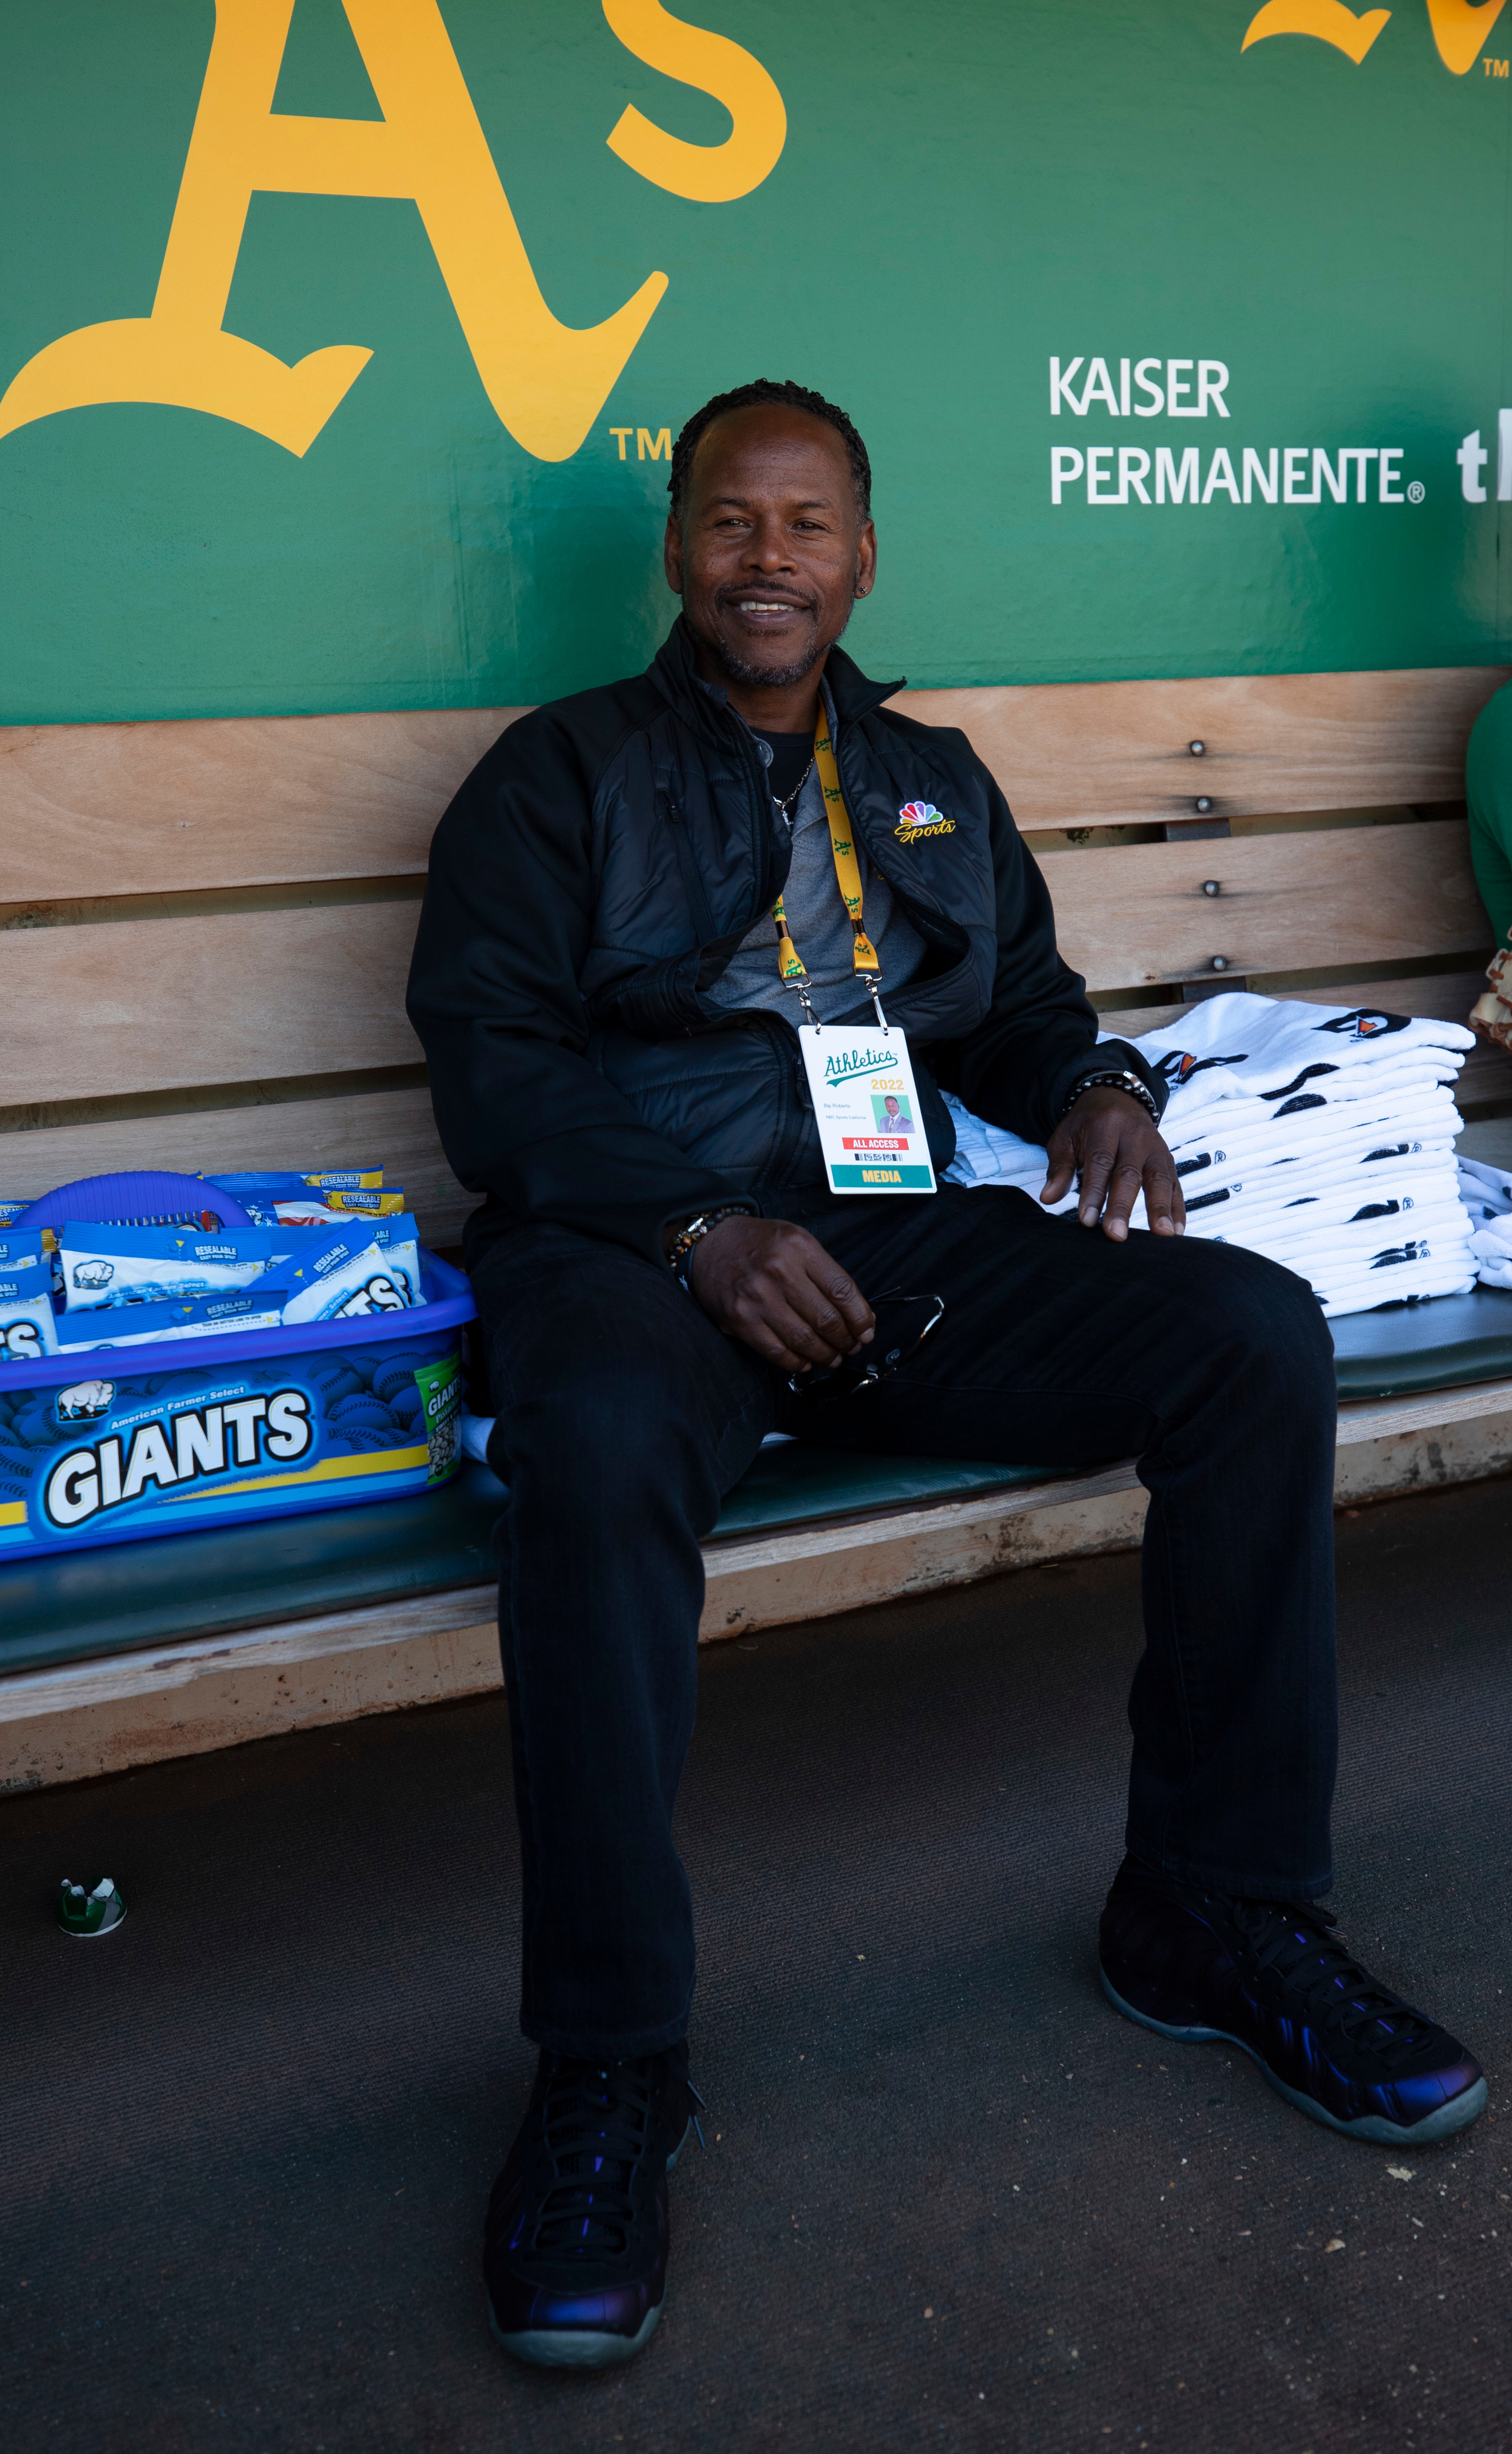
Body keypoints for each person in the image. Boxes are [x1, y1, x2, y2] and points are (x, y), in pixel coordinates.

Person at [406, 378, 1485, 2373]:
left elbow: (1018, 1012)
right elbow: (493, 1069)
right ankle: (609, 2068)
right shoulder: (555, 776)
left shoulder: (922, 775)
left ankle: (1213, 1911)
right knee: (594, 1448)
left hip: (892, 1246)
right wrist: (687, 1232)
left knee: (1242, 1335)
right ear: (673, 545)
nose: (768, 562)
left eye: (807, 527)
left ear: (862, 553)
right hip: (646, 1254)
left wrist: (1086, 1088)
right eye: (733, 522)